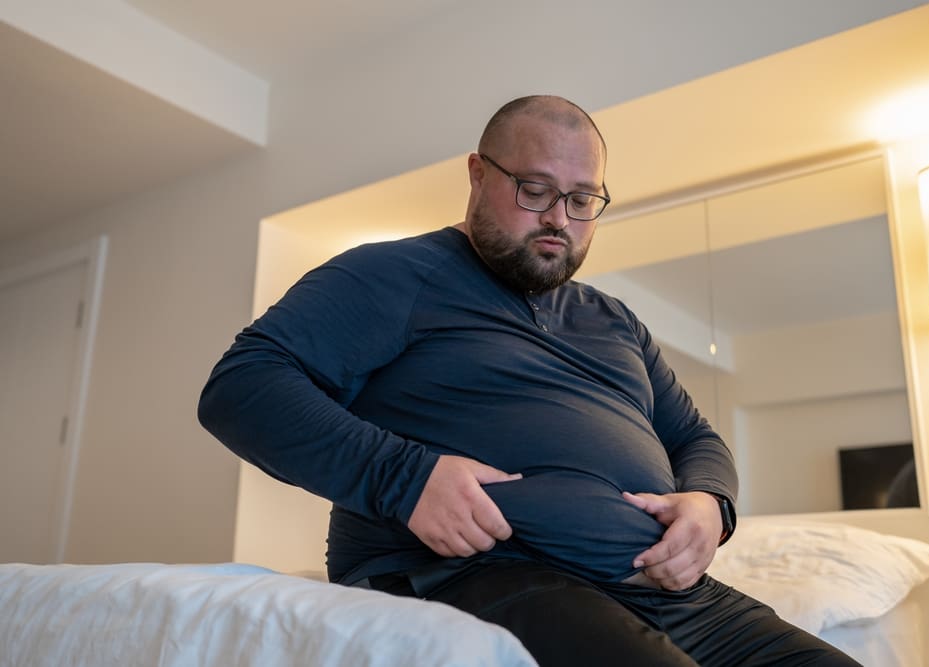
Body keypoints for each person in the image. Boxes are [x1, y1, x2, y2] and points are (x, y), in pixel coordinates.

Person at [198, 95, 859, 666]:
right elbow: (243, 385)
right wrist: (406, 477)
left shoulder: (615, 320)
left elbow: (693, 435)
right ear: (478, 175)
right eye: (535, 190)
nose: (559, 220)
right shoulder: (395, 275)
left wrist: (711, 503)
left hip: (669, 592)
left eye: (581, 199)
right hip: (477, 571)